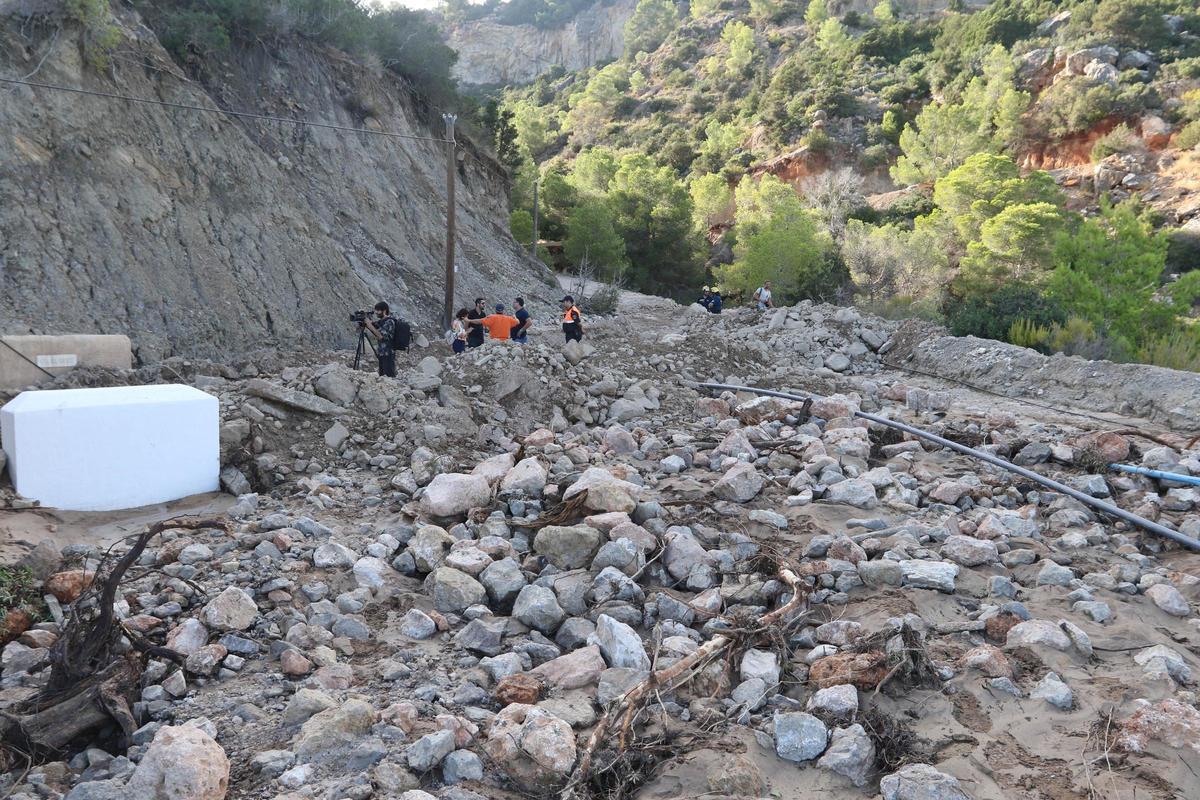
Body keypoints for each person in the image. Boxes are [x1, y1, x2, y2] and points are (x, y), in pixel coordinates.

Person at [362, 301, 397, 377]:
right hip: (381, 353)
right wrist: (364, 323)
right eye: (376, 310)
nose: (376, 312)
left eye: (378, 310)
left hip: (388, 353)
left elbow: (381, 336)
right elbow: (373, 328)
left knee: (389, 376)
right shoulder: (381, 322)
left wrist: (370, 325)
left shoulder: (389, 322)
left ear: (384, 311)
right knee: (382, 376)